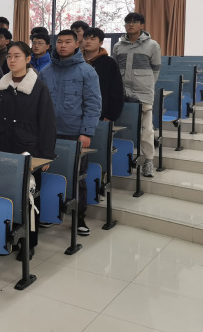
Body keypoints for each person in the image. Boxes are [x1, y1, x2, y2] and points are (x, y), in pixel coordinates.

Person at [0, 41, 56, 260]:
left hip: (28, 150)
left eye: (17, 56)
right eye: (9, 56)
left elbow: (47, 123)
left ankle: (29, 243)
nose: (12, 60)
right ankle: (7, 238)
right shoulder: (1, 86)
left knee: (29, 197)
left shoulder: (38, 87)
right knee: (4, 195)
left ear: (27, 59)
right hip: (2, 148)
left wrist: (45, 155)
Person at [39, 29, 101, 236]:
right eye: (59, 42)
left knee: (76, 177)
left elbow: (93, 104)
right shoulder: (46, 71)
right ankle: (50, 213)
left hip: (74, 133)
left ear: (76, 44)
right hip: (49, 133)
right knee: (49, 174)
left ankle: (79, 217)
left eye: (67, 42)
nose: (63, 45)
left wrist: (86, 132)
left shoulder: (87, 71)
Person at [112, 12, 161, 177]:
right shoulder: (118, 46)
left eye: (135, 22)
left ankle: (148, 161)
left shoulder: (152, 45)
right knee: (121, 127)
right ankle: (120, 159)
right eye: (128, 22)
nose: (131, 24)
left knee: (146, 130)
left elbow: (155, 70)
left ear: (142, 25)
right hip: (121, 92)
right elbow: (114, 70)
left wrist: (146, 84)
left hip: (143, 93)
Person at [83, 27, 124, 122]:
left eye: (92, 39)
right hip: (76, 112)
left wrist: (111, 115)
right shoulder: (76, 61)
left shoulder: (109, 63)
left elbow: (116, 91)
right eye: (86, 38)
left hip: (101, 114)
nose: (88, 41)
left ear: (101, 42)